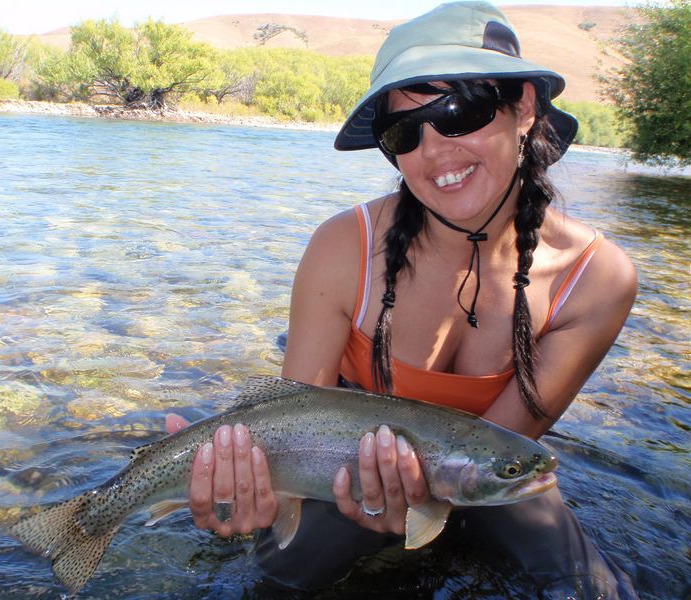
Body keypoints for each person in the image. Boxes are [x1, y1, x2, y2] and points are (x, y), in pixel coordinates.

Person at [168, 2, 638, 597]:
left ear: (524, 106)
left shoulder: (598, 280)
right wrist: (247, 500)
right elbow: (291, 414)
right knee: (280, 577)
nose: (434, 150)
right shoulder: (343, 248)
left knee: (592, 589)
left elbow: (503, 458)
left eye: (459, 112)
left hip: (473, 464)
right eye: (404, 132)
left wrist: (426, 503)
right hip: (336, 459)